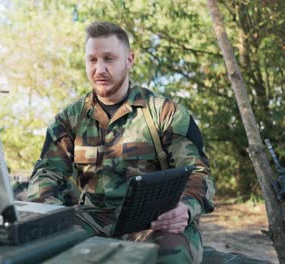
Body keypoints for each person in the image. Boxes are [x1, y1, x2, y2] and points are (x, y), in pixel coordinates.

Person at [27, 21, 215, 264]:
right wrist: (49, 215)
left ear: (129, 60)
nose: (100, 69)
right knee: (38, 249)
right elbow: (47, 174)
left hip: (155, 219)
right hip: (92, 218)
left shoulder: (165, 113)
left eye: (109, 59)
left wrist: (186, 208)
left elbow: (199, 173)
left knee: (169, 255)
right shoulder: (69, 118)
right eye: (92, 60)